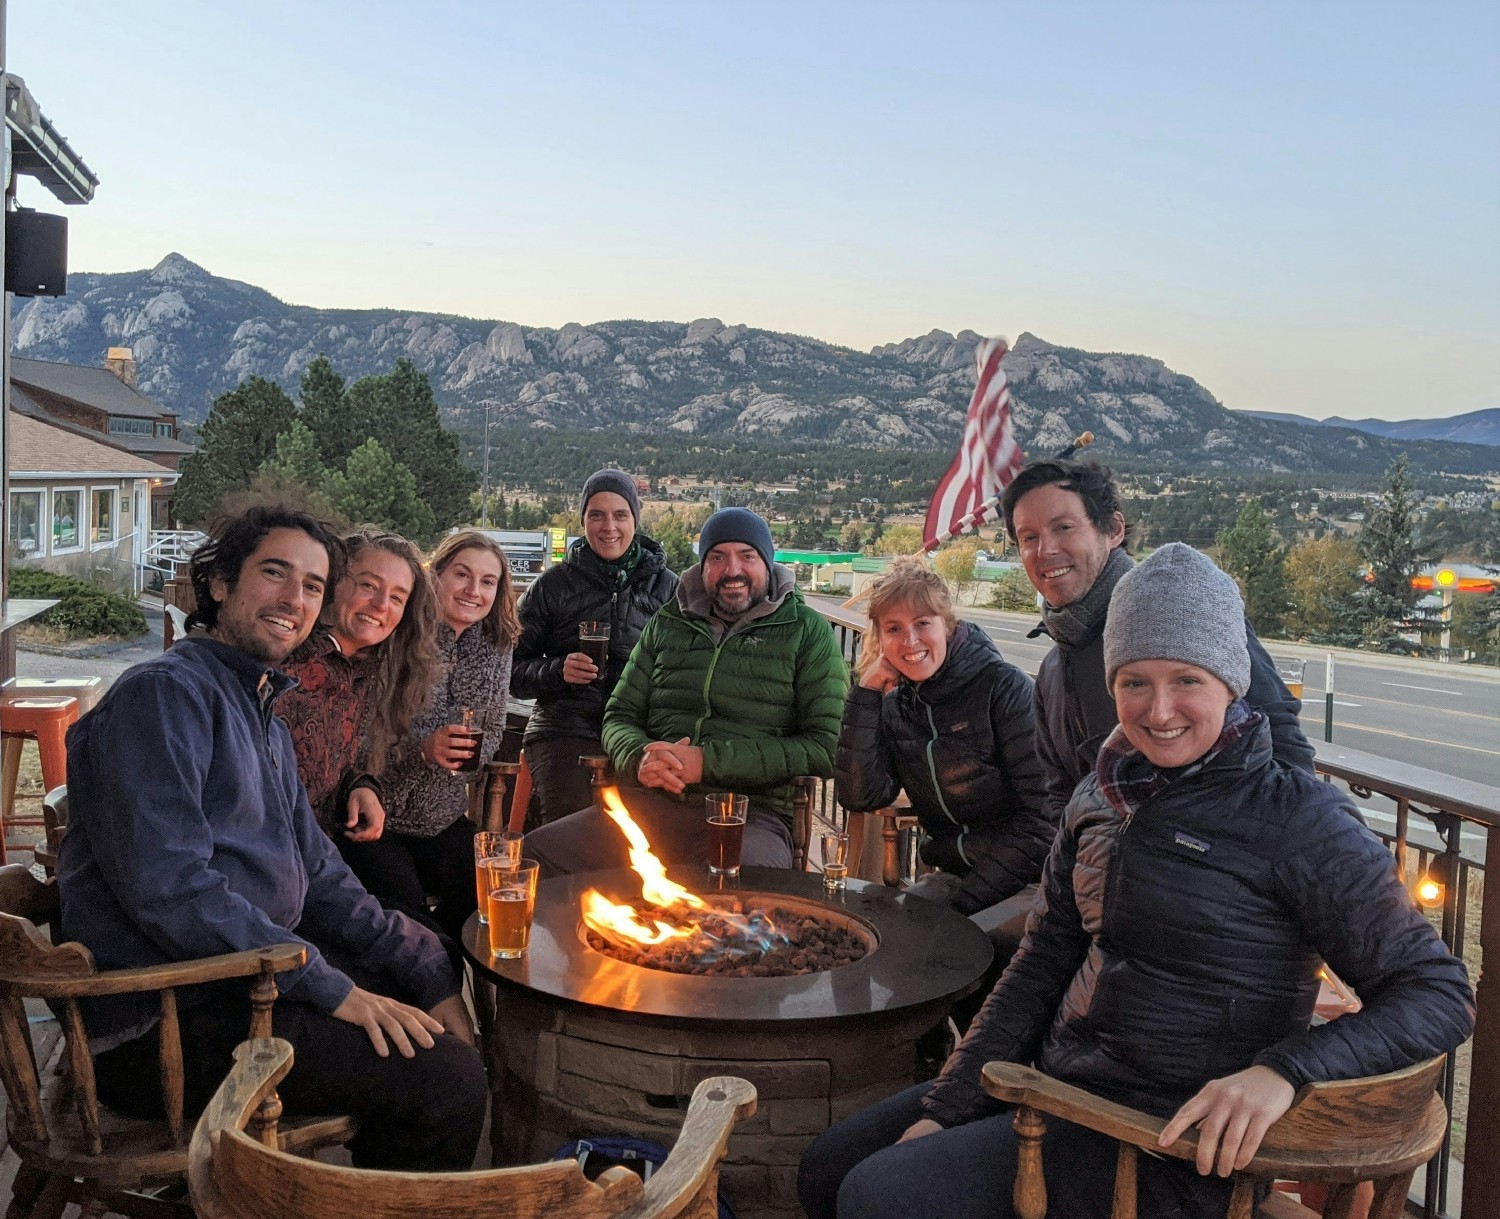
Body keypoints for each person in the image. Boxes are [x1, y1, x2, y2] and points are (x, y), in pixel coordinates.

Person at [798, 544, 1474, 1219]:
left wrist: (1288, 1070)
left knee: (878, 1195)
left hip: (1171, 1139)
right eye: (1134, 682)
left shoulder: (1300, 820)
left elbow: (1437, 990)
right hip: (1066, 1088)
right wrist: (950, 1106)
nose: (1158, 709)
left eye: (1187, 679)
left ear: (1230, 682)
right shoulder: (1102, 792)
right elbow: (1042, 962)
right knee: (826, 1167)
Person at [57, 506, 487, 1172]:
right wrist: (327, 983)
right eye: (275, 573)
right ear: (221, 583)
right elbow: (172, 889)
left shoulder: (260, 714)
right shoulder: (164, 698)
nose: (295, 598)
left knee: (418, 1001)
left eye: (313, 584)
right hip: (163, 1020)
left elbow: (319, 873)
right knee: (446, 1081)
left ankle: (348, 1194)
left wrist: (425, 963)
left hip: (242, 984)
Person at [525, 507, 847, 875]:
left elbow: (826, 746)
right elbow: (619, 715)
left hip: (750, 814)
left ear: (768, 563)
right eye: (717, 557)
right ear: (703, 567)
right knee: (538, 856)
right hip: (649, 803)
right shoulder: (669, 623)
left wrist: (707, 762)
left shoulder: (805, 631)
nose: (732, 571)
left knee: (739, 888)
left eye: (747, 556)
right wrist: (639, 757)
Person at [999, 458, 1315, 822]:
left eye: (1064, 527)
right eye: (1029, 537)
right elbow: (1059, 795)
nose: (1045, 550)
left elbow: (1288, 760)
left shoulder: (1188, 613)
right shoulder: (1053, 670)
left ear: (1114, 529)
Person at [836, 558, 1051, 959]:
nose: (910, 641)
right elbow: (860, 795)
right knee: (879, 945)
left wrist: (965, 903)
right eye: (894, 629)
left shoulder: (1003, 690)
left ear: (947, 626)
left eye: (922, 623)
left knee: (958, 951)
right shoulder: (897, 706)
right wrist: (865, 696)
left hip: (1031, 878)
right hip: (954, 875)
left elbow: (1043, 822)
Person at [352, 530, 520, 940]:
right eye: (462, 575)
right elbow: (358, 741)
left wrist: (468, 757)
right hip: (377, 817)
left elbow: (494, 729)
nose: (473, 591)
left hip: (443, 818)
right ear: (436, 575)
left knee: (493, 892)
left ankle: (438, 960)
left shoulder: (497, 643)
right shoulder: (395, 633)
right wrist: (423, 752)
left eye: (487, 582)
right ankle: (434, 968)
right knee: (407, 918)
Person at [511, 469, 678, 825]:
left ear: (636, 518)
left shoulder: (668, 589)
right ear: (582, 519)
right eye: (596, 515)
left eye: (620, 515)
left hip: (640, 729)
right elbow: (509, 671)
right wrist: (558, 671)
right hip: (565, 726)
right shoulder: (552, 586)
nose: (609, 527)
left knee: (654, 829)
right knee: (572, 826)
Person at [278, 528, 438, 842]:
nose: (381, 604)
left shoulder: (365, 670)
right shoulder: (284, 659)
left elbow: (327, 763)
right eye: (368, 585)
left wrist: (360, 785)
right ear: (333, 583)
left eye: (396, 597)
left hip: (321, 850)